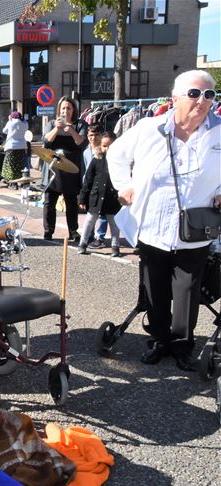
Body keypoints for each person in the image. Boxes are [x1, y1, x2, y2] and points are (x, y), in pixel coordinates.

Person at [107, 69, 221, 372]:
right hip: (152, 222)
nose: (202, 101)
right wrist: (124, 186)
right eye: (194, 94)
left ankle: (183, 345)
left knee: (187, 287)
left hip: (196, 226)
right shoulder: (149, 127)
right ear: (175, 99)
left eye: (209, 95)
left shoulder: (220, 131)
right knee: (154, 285)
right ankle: (158, 340)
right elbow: (116, 154)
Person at [42, 96, 87, 242]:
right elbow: (46, 141)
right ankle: (48, 231)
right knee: (49, 202)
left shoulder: (80, 124)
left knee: (71, 202)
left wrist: (71, 130)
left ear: (73, 110)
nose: (65, 111)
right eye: (63, 108)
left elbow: (83, 143)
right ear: (59, 110)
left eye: (68, 108)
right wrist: (57, 128)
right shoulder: (52, 123)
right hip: (54, 168)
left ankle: (73, 231)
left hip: (71, 168)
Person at [78, 132, 121, 257]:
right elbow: (88, 180)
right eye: (104, 145)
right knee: (90, 220)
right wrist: (82, 198)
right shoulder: (96, 160)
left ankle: (115, 246)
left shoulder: (119, 162)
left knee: (114, 223)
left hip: (112, 197)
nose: (107, 149)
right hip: (96, 196)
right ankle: (83, 243)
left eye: (110, 145)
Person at [82, 124, 108, 247]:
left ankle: (100, 236)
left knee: (103, 213)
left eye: (96, 135)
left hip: (102, 185)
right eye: (91, 135)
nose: (93, 138)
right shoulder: (86, 152)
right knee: (90, 212)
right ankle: (89, 236)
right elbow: (86, 170)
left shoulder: (104, 150)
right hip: (90, 185)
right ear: (88, 136)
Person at [1, 111, 28, 183]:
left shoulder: (10, 123)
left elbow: (4, 131)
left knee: (10, 164)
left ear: (12, 117)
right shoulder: (25, 123)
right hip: (22, 146)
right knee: (20, 164)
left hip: (11, 146)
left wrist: (9, 120)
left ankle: (11, 180)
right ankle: (19, 178)